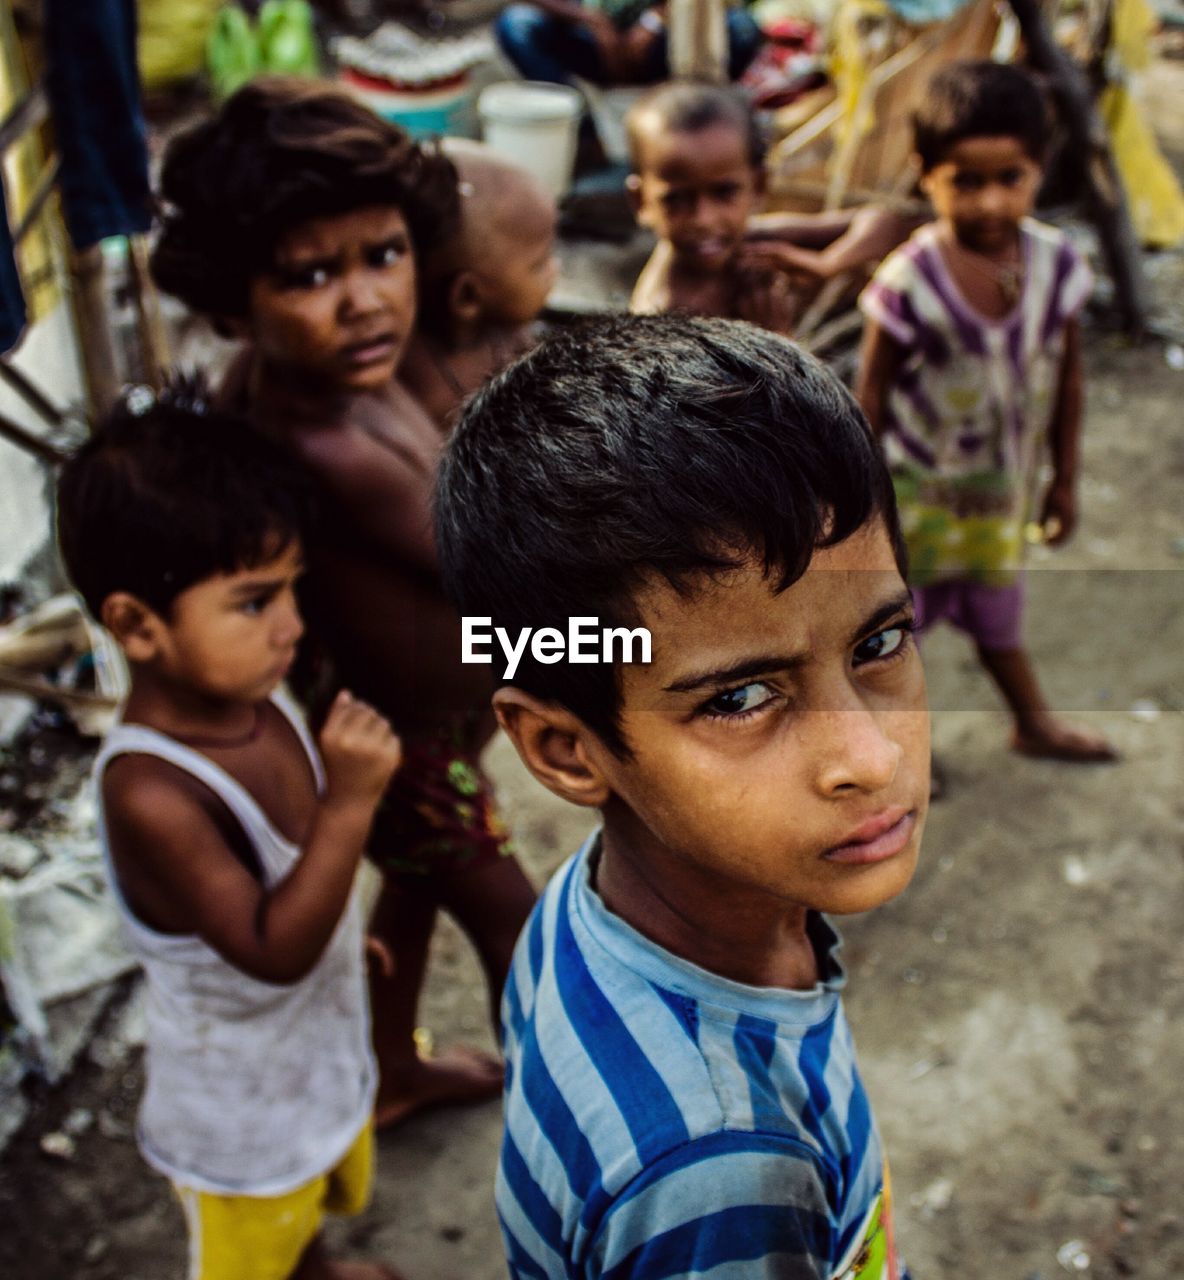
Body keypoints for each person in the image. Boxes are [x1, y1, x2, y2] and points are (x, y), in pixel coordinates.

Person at [435, 313, 929, 1278]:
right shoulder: (724, 1170)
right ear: (567, 750)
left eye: (877, 645)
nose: (869, 756)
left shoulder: (592, 910)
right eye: (741, 698)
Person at [150, 79, 538, 1128]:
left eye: (382, 254)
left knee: (411, 891)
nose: (363, 296)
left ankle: (390, 1064)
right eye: (309, 275)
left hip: (436, 712)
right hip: (397, 747)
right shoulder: (324, 440)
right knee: (521, 925)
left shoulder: (363, 371)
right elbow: (493, 567)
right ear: (236, 301)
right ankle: (578, 1137)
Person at [55, 389, 404, 1280]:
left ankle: (318, 1266)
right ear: (138, 625)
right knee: (261, 1236)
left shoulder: (257, 695)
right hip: (242, 1114)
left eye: (291, 588)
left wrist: (340, 936)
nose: (291, 622)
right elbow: (270, 946)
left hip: (311, 1054)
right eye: (254, 602)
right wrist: (351, 806)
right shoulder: (153, 791)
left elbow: (288, 889)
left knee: (315, 1201)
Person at [856, 60, 1115, 764]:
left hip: (1000, 498)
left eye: (1012, 179)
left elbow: (1068, 381)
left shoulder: (1057, 266)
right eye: (966, 181)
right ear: (925, 173)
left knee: (1000, 616)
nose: (991, 203)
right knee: (891, 636)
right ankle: (897, 751)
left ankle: (1032, 723)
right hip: (914, 500)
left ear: (1041, 169)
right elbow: (869, 395)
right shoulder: (910, 279)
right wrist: (861, 502)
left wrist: (1064, 479)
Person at [628, 81, 917, 332]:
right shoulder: (660, 313)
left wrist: (825, 264)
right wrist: (775, 339)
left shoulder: (755, 244)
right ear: (641, 201)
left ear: (758, 187)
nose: (703, 219)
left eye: (724, 193)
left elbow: (883, 222)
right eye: (676, 200)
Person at [401, 139, 558, 431]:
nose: (555, 269)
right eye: (539, 263)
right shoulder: (422, 387)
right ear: (467, 297)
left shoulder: (512, 331)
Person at [494, 0, 762, 96]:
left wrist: (654, 20)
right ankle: (581, 131)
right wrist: (590, 20)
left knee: (742, 29)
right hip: (590, 38)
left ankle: (693, 109)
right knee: (517, 24)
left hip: (665, 42)